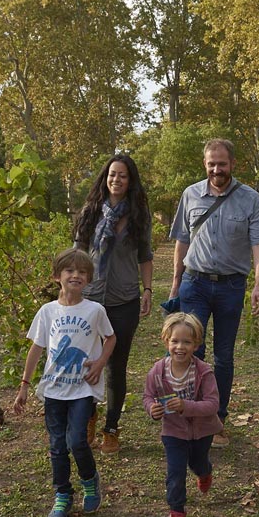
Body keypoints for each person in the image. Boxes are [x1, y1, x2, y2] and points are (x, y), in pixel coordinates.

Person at [168, 138, 259, 448]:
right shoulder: (190, 195)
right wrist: (175, 281)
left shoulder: (250, 199)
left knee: (223, 356)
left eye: (222, 164)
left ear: (233, 164)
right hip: (195, 283)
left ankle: (216, 419)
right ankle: (187, 415)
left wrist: (258, 284)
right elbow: (181, 241)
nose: (217, 169)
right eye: (211, 164)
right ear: (205, 165)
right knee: (189, 350)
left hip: (230, 286)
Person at [13, 248, 116, 517]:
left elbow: (110, 338)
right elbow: (37, 348)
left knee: (77, 441)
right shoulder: (48, 312)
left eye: (82, 272)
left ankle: (90, 482)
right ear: (57, 276)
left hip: (82, 388)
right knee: (57, 445)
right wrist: (24, 384)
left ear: (89, 279)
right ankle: (62, 495)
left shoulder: (95, 310)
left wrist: (99, 363)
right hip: (54, 390)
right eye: (69, 271)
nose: (76, 275)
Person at [73, 153, 153, 454]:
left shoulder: (138, 216)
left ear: (130, 181)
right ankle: (89, 416)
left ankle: (111, 427)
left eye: (122, 175)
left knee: (116, 367)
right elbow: (78, 251)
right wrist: (72, 288)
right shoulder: (91, 212)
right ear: (105, 178)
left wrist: (147, 289)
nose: (116, 179)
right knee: (89, 362)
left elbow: (145, 256)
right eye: (111, 174)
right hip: (91, 299)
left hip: (124, 299)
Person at [143, 312, 222, 517]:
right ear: (165, 341)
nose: (180, 347)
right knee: (175, 473)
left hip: (202, 431)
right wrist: (152, 409)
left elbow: (212, 404)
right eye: (175, 341)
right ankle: (176, 515)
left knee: (197, 463)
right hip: (173, 431)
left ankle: (204, 472)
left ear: (196, 344)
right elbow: (148, 396)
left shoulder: (203, 371)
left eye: (187, 342)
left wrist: (185, 406)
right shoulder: (157, 372)